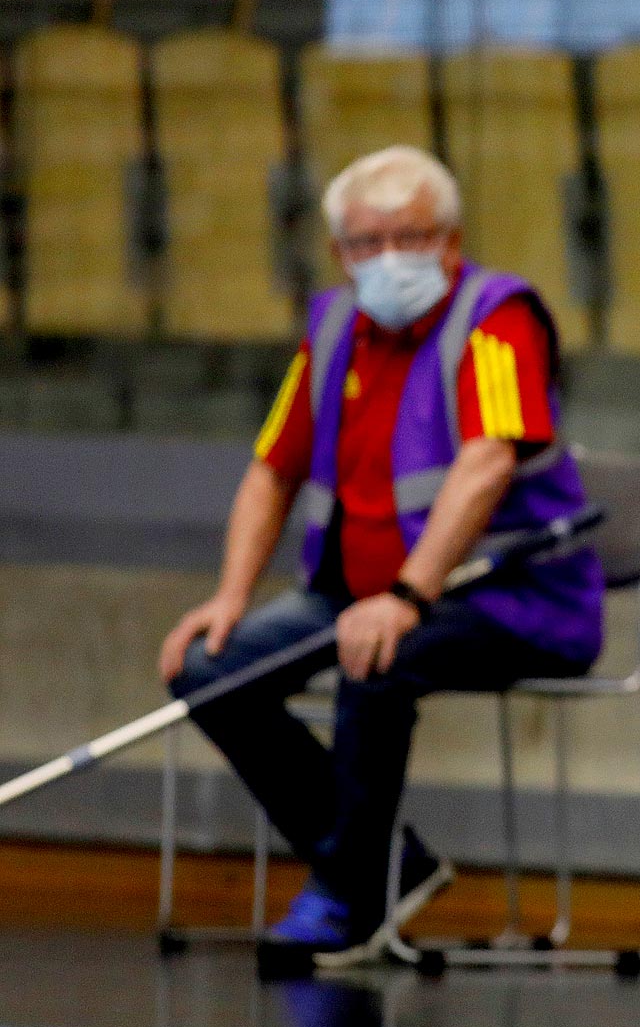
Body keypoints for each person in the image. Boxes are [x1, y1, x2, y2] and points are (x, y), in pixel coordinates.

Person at [158, 146, 603, 966]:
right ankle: (387, 865)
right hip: (354, 594)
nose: (391, 257)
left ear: (452, 240)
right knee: (207, 666)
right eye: (368, 242)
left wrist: (405, 594)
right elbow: (272, 469)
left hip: (512, 600)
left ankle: (346, 895)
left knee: (375, 658)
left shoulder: (497, 319)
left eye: (413, 236)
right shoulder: (331, 326)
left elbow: (488, 461)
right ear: (340, 253)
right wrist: (228, 596)